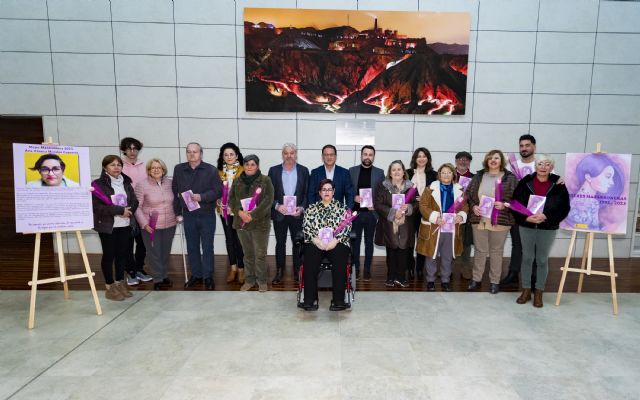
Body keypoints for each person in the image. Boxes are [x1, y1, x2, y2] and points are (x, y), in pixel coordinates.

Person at [509, 155, 570, 307]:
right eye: (540, 164)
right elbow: (515, 203)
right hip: (527, 226)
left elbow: (564, 208)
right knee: (527, 258)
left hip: (547, 227)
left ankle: (539, 292)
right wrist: (525, 219)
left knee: (542, 260)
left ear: (551, 167)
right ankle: (526, 290)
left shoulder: (559, 184)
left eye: (547, 164)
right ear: (535, 166)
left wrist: (546, 216)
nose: (543, 167)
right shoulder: (525, 182)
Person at [466, 150, 518, 294]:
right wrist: (473, 207)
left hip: (500, 221)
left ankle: (494, 281)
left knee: (496, 251)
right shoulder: (478, 176)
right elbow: (469, 196)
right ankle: (476, 279)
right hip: (480, 220)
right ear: (486, 161)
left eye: (496, 158)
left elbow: (517, 199)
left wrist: (505, 204)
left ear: (501, 160)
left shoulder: (510, 178)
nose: (493, 160)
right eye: (490, 158)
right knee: (480, 250)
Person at [172, 142, 222, 290]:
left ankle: (207, 276)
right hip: (188, 215)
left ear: (201, 153)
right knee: (192, 246)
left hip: (206, 214)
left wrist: (202, 197)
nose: (192, 154)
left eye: (195, 152)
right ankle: (196, 274)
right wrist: (177, 212)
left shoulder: (211, 170)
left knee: (207, 246)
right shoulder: (179, 169)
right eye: (189, 152)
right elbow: (175, 192)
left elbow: (217, 192)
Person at [92, 155, 138, 301]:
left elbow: (134, 200)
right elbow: (97, 207)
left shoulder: (126, 182)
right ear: (105, 167)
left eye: (119, 165)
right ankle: (110, 287)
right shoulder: (98, 184)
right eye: (112, 165)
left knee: (122, 255)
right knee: (109, 255)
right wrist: (119, 211)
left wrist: (129, 210)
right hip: (108, 226)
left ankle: (120, 283)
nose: (117, 167)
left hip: (125, 225)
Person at [301, 179, 352, 311]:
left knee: (340, 261)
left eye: (329, 189)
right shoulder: (311, 209)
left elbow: (347, 226)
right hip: (316, 242)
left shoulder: (343, 208)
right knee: (310, 260)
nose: (327, 192)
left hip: (337, 242)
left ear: (334, 191)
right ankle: (310, 300)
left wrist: (335, 241)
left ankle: (339, 300)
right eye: (324, 189)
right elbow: (306, 227)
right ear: (319, 192)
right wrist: (316, 240)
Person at [416, 163, 469, 291]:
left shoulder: (460, 190)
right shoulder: (430, 189)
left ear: (453, 174)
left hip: (451, 228)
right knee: (431, 255)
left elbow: (465, 207)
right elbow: (423, 206)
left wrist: (461, 216)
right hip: (434, 227)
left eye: (449, 172)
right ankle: (430, 280)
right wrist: (435, 217)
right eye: (443, 172)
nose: (446, 175)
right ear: (439, 174)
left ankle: (445, 280)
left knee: (447, 256)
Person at [229, 154, 274, 292]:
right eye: (247, 164)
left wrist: (252, 215)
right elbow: (231, 200)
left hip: (260, 223)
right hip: (241, 222)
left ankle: (262, 281)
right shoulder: (237, 181)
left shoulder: (265, 180)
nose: (249, 167)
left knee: (260, 254)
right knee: (247, 254)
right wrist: (240, 212)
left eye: (253, 164)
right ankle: (249, 280)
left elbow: (268, 200)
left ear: (258, 166)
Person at [268, 143, 309, 284]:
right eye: (286, 153)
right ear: (282, 154)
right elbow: (268, 194)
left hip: (297, 215)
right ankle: (279, 270)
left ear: (296, 154)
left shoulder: (304, 171)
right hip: (280, 214)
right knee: (280, 243)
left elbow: (307, 194)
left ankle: (298, 270)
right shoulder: (273, 171)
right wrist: (277, 206)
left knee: (297, 243)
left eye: (292, 153)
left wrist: (302, 208)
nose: (289, 156)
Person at [134, 158, 177, 291]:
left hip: (170, 224)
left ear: (163, 170)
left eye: (159, 167)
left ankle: (164, 275)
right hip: (151, 226)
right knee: (154, 253)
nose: (156, 170)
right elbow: (136, 207)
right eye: (153, 168)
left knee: (165, 252)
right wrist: (144, 224)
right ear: (149, 171)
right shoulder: (142, 185)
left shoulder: (170, 183)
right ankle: (158, 278)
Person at [374, 160, 418, 288]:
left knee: (403, 250)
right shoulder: (383, 186)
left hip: (406, 224)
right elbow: (378, 204)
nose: (396, 172)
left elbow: (417, 204)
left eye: (399, 169)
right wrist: (393, 212)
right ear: (390, 173)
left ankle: (401, 277)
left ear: (404, 172)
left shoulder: (412, 187)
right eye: (394, 170)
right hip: (389, 224)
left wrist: (408, 207)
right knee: (392, 250)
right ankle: (391, 276)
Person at [501, 134, 537, 288]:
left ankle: (534, 277)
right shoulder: (512, 166)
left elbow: (552, 182)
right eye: (521, 146)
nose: (524, 148)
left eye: (527, 145)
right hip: (516, 210)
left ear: (534, 146)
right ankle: (513, 274)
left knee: (534, 245)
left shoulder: (541, 163)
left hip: (535, 212)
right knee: (517, 244)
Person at [348, 145, 384, 281]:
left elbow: (382, 194)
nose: (367, 157)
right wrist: (353, 197)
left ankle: (367, 269)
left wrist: (375, 205)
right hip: (355, 213)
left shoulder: (380, 173)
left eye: (370, 154)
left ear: (373, 157)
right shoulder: (352, 171)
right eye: (365, 154)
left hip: (371, 214)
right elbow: (347, 190)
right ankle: (356, 269)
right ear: (361, 155)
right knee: (355, 243)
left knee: (369, 242)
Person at [120, 137, 152, 286]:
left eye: (135, 149)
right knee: (127, 242)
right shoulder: (119, 165)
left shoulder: (145, 166)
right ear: (124, 150)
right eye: (129, 148)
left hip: (143, 209)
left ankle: (139, 268)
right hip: (126, 210)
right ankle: (131, 271)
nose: (132, 152)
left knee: (143, 242)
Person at [564, 153, 625, 231]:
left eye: (612, 178)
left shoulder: (593, 203)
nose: (612, 182)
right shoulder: (583, 204)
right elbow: (582, 226)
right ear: (588, 177)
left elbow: (590, 228)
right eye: (608, 176)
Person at [406, 147, 438, 281]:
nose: (421, 158)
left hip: (426, 211)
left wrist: (424, 199)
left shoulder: (433, 174)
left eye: (424, 156)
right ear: (415, 158)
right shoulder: (407, 173)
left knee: (423, 240)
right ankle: (409, 267)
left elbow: (436, 194)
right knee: (408, 240)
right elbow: (401, 190)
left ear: (428, 159)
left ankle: (419, 268)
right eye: (419, 156)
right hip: (410, 210)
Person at [216, 142, 246, 284]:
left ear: (236, 155)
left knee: (238, 241)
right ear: (222, 157)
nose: (229, 157)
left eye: (231, 154)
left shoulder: (244, 170)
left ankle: (241, 269)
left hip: (238, 212)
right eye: (226, 154)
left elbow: (248, 191)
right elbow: (215, 191)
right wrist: (217, 201)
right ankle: (232, 268)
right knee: (229, 239)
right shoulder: (218, 172)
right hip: (224, 211)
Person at [308, 144, 354, 209]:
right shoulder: (315, 173)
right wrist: (312, 210)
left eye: (331, 155)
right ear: (322, 157)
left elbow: (349, 195)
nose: (329, 157)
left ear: (335, 156)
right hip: (319, 213)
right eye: (326, 155)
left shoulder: (344, 173)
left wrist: (348, 212)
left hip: (338, 212)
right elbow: (311, 194)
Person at [454, 151, 475, 279]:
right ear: (456, 161)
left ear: (469, 162)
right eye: (460, 159)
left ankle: (465, 267)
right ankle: (447, 267)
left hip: (467, 213)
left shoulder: (474, 177)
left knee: (466, 242)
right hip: (450, 213)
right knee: (449, 240)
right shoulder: (448, 174)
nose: (463, 161)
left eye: (466, 159)